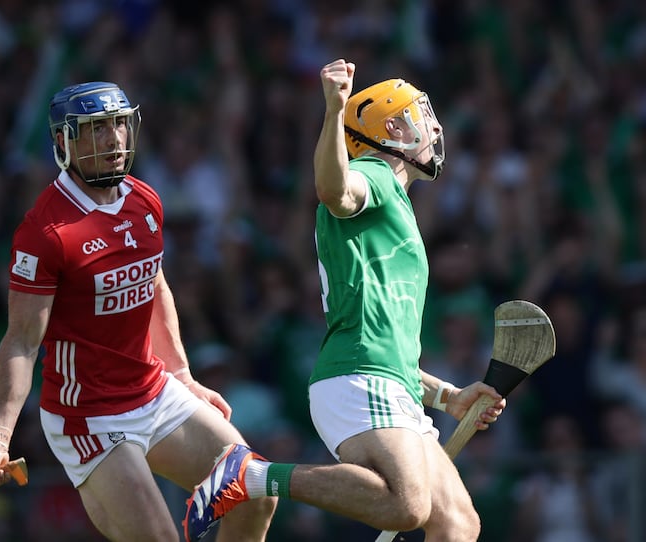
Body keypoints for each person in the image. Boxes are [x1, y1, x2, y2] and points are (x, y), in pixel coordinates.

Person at [184, 59, 507, 542]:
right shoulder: (373, 173)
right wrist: (334, 110)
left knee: (458, 525)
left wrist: (449, 397)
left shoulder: (396, 205)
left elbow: (390, 345)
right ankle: (249, 476)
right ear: (392, 128)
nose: (436, 126)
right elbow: (334, 190)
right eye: (422, 115)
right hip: (358, 380)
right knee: (406, 505)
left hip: (387, 379)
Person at [0, 81, 276, 541]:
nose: (113, 140)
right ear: (62, 142)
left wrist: (183, 376)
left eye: (118, 125)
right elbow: (22, 341)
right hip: (89, 417)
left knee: (254, 491)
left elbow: (154, 285)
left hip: (153, 390)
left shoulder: (144, 200)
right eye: (95, 130)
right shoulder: (46, 232)